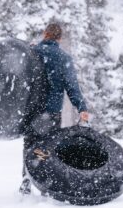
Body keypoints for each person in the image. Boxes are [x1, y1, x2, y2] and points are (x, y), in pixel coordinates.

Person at [20, 22, 90, 195]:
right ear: (59, 38)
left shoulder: (31, 53)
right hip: (51, 111)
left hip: (31, 110)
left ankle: (26, 179)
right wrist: (81, 107)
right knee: (47, 146)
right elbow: (72, 87)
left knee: (30, 145)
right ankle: (45, 182)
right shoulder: (63, 58)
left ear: (45, 34)